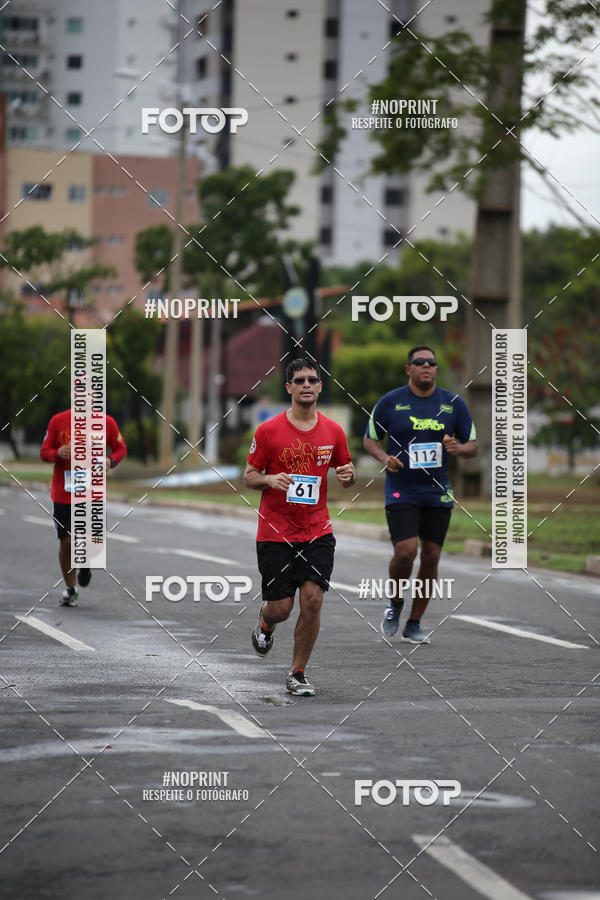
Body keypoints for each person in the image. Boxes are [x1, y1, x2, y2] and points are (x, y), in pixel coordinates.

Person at [243, 358, 356, 696]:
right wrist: (269, 478)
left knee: (313, 599)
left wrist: (349, 477)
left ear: (320, 387)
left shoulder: (333, 431)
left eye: (313, 379)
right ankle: (265, 624)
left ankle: (297, 673)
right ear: (289, 387)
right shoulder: (268, 431)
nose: (307, 385)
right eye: (300, 380)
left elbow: (346, 473)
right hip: (275, 533)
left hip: (317, 530)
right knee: (281, 607)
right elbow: (248, 477)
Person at [364, 345, 478, 643]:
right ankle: (395, 603)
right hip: (402, 488)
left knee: (432, 555)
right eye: (419, 362)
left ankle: (414, 622)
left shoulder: (454, 404)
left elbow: (473, 446)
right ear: (409, 369)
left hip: (438, 492)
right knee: (405, 552)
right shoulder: (391, 402)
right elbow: (370, 439)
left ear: (436, 369)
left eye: (431, 363)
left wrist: (458, 448)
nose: (426, 366)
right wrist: (383, 458)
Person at [41, 400, 127, 607]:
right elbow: (44, 452)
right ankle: (71, 589)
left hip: (92, 492)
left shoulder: (106, 422)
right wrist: (57, 453)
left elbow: (120, 448)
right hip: (63, 493)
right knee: (67, 542)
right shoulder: (58, 421)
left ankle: (86, 561)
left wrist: (110, 461)